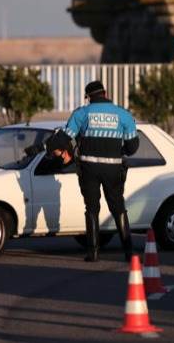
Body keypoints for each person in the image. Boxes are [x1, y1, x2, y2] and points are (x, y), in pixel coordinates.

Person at [47, 81, 139, 262]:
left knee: (92, 209)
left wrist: (47, 146)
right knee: (118, 208)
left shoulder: (82, 113)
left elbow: (65, 137)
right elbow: (132, 146)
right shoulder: (123, 114)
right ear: (105, 93)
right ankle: (129, 252)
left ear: (88, 97)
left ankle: (93, 252)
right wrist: (120, 152)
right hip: (113, 169)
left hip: (89, 169)